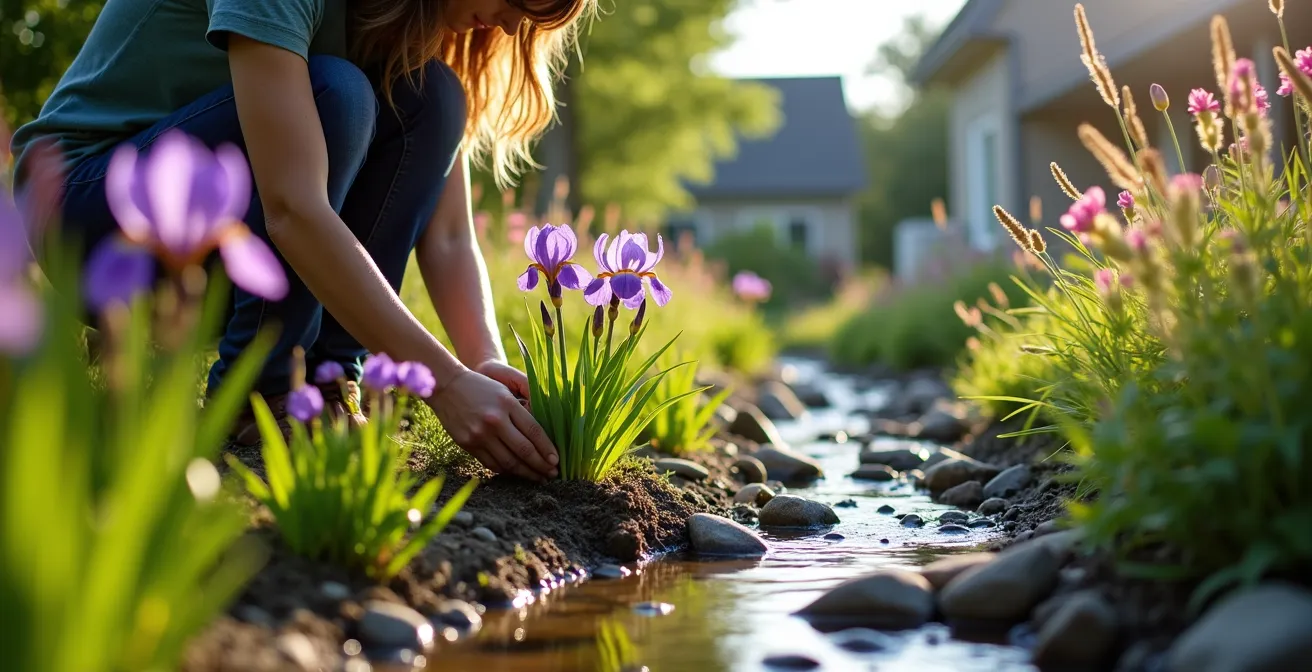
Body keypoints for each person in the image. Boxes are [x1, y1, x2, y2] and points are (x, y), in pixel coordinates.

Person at [8, 0, 596, 482]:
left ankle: (325, 389)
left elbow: (445, 235)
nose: (515, 25)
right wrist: (443, 383)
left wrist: (482, 362)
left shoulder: (414, 19)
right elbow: (291, 209)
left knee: (434, 96)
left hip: (206, 212)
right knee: (337, 92)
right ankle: (262, 395)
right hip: (85, 206)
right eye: (518, 1)